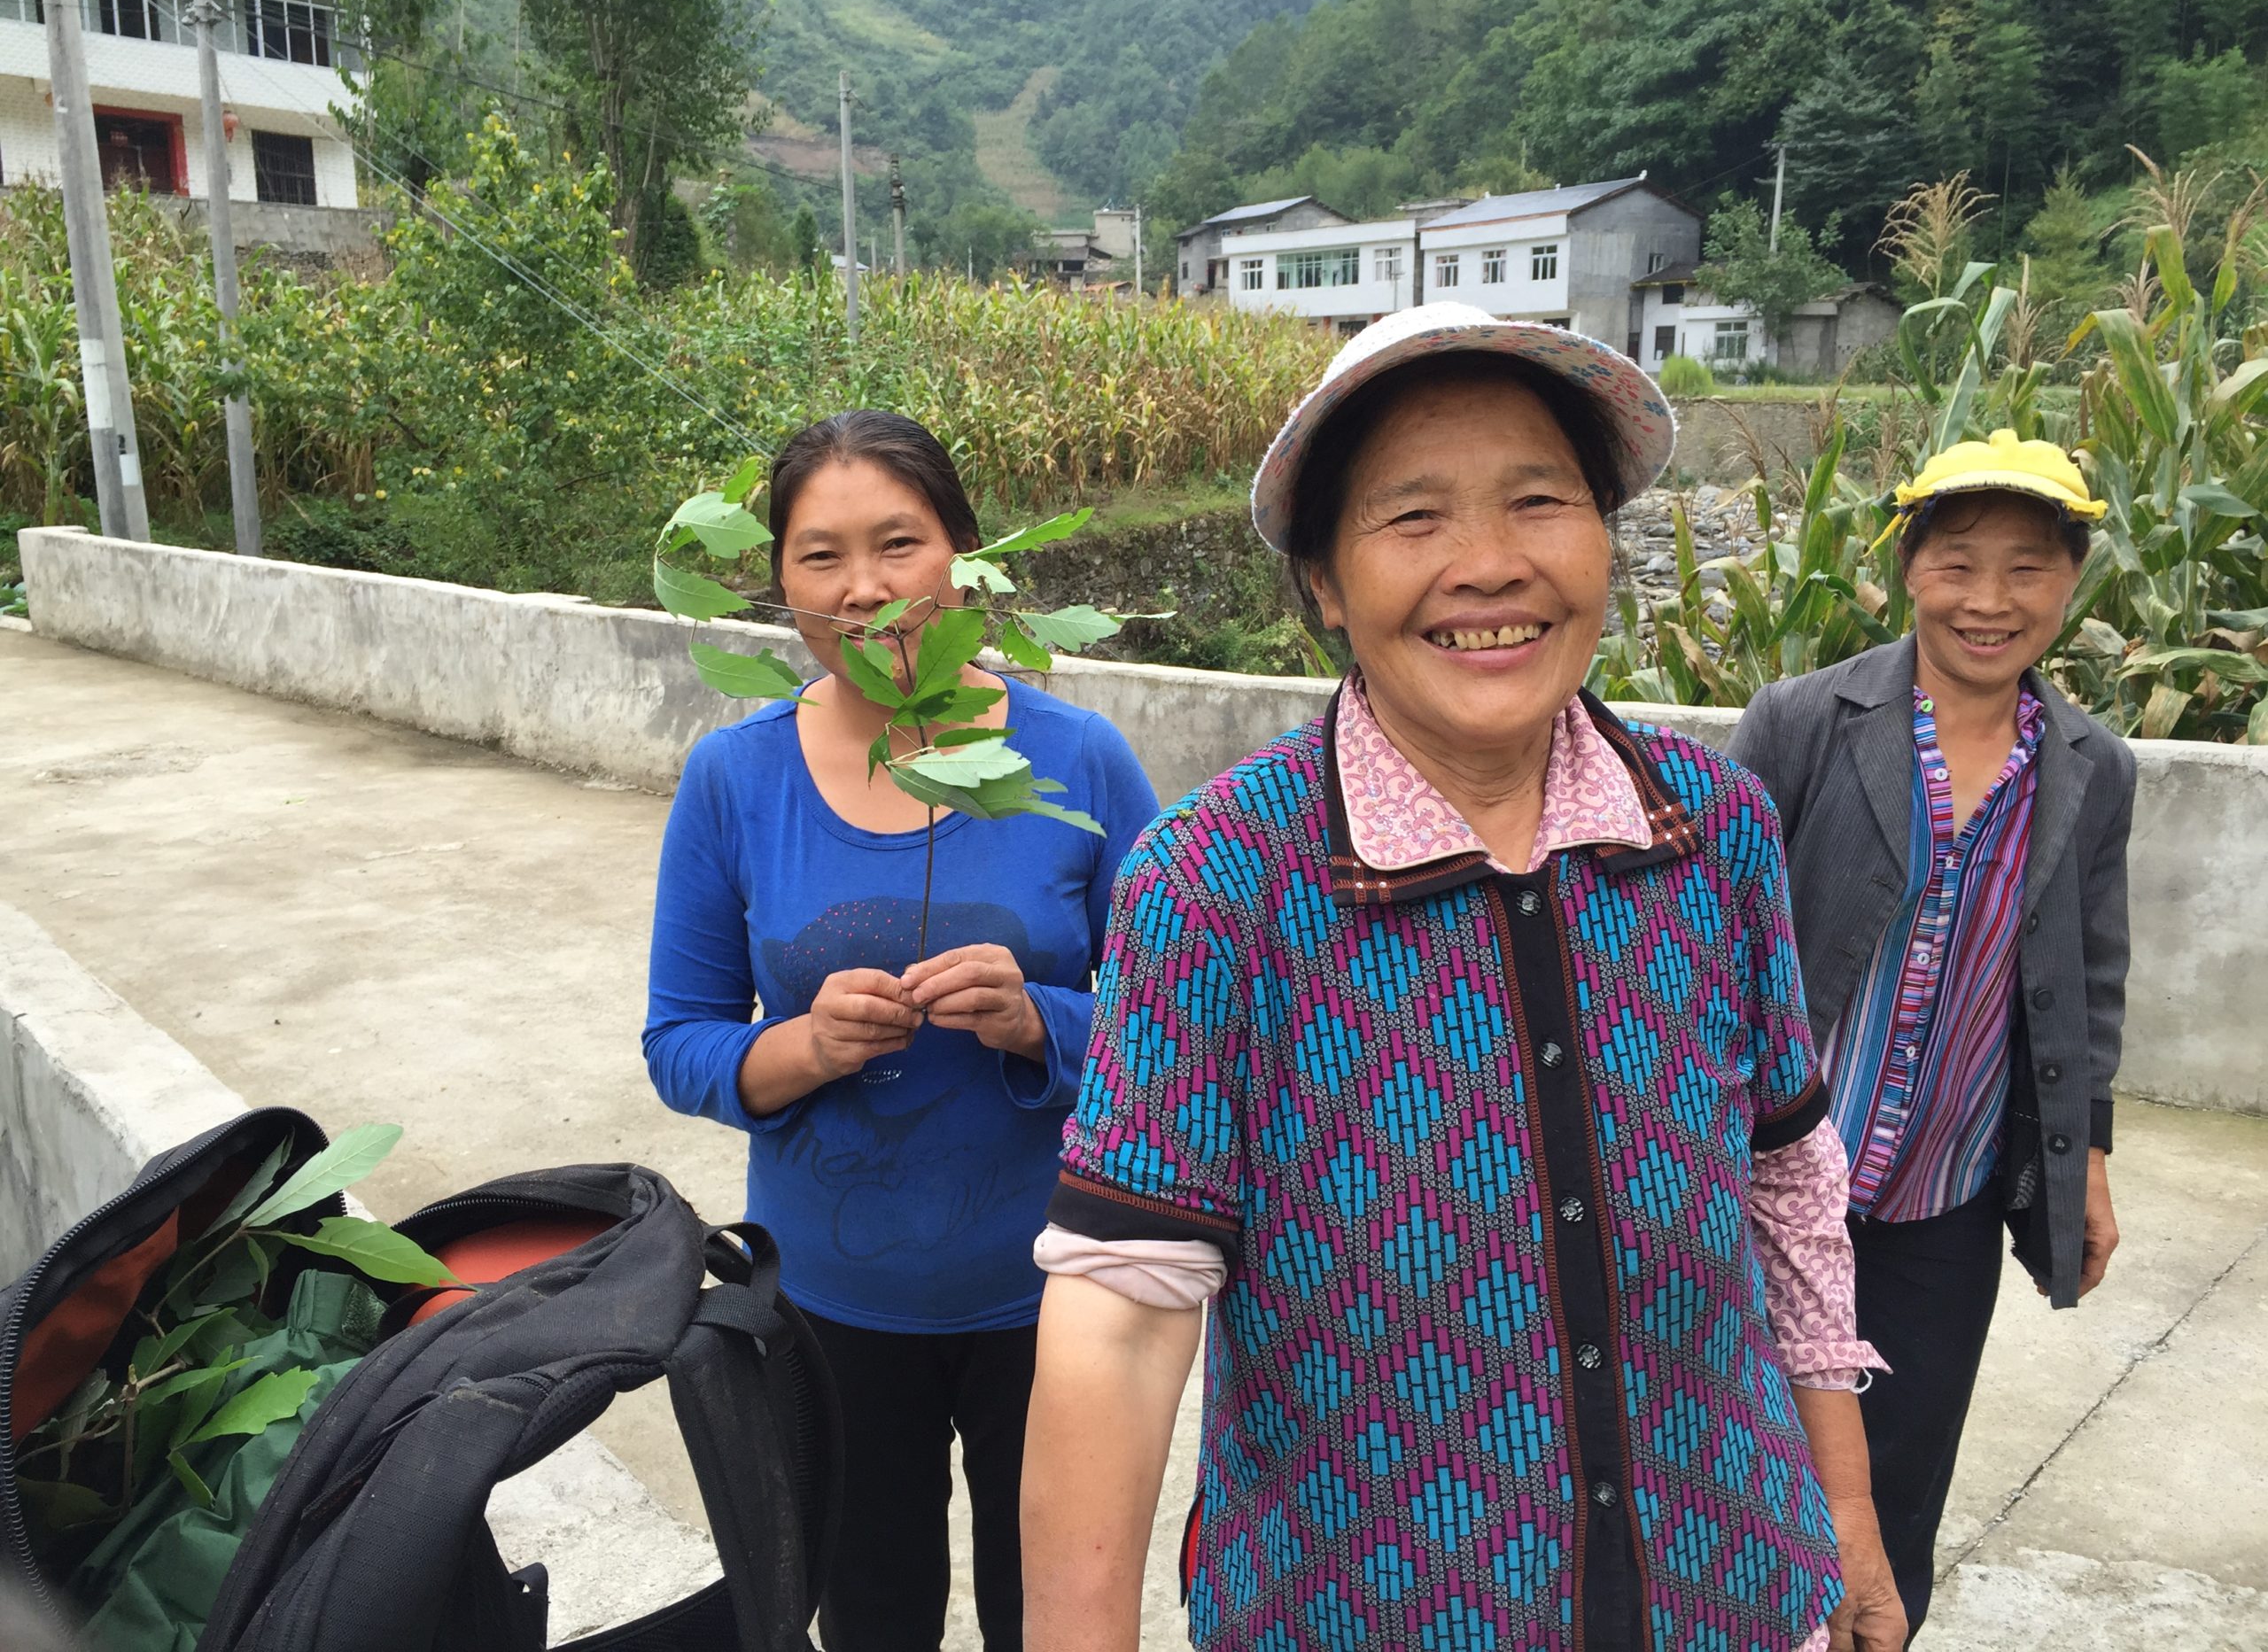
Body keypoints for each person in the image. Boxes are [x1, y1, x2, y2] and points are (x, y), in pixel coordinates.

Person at [1022, 303, 1904, 1652]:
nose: (1490, 567)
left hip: (1733, 1587)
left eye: (1540, 500)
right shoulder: (1219, 884)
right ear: (1323, 580)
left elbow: (1785, 1178)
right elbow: (1124, 1321)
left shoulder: (1713, 830)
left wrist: (1843, 1502)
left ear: (1603, 537)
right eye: (1412, 518)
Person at [642, 409, 1159, 1651]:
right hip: (832, 1303)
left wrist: (1040, 1021)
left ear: (966, 558)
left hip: (1058, 1293)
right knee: (870, 1612)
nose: (864, 587)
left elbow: (1174, 1028)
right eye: (819, 556)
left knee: (1051, 1614)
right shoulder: (736, 780)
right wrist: (808, 1047)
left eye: (899, 544)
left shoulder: (1080, 760)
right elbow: (681, 1041)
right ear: (778, 584)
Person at [1728, 430, 2133, 1638]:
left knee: (1896, 1498)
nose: (1989, 601)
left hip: (1938, 1205)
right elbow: (1701, 931)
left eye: (2026, 568)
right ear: (1908, 571)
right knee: (1728, 1466)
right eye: (1958, 563)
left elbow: (2091, 971)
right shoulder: (1802, 723)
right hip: (1766, 1185)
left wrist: (2090, 1150)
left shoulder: (2089, 770)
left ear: (2070, 583)